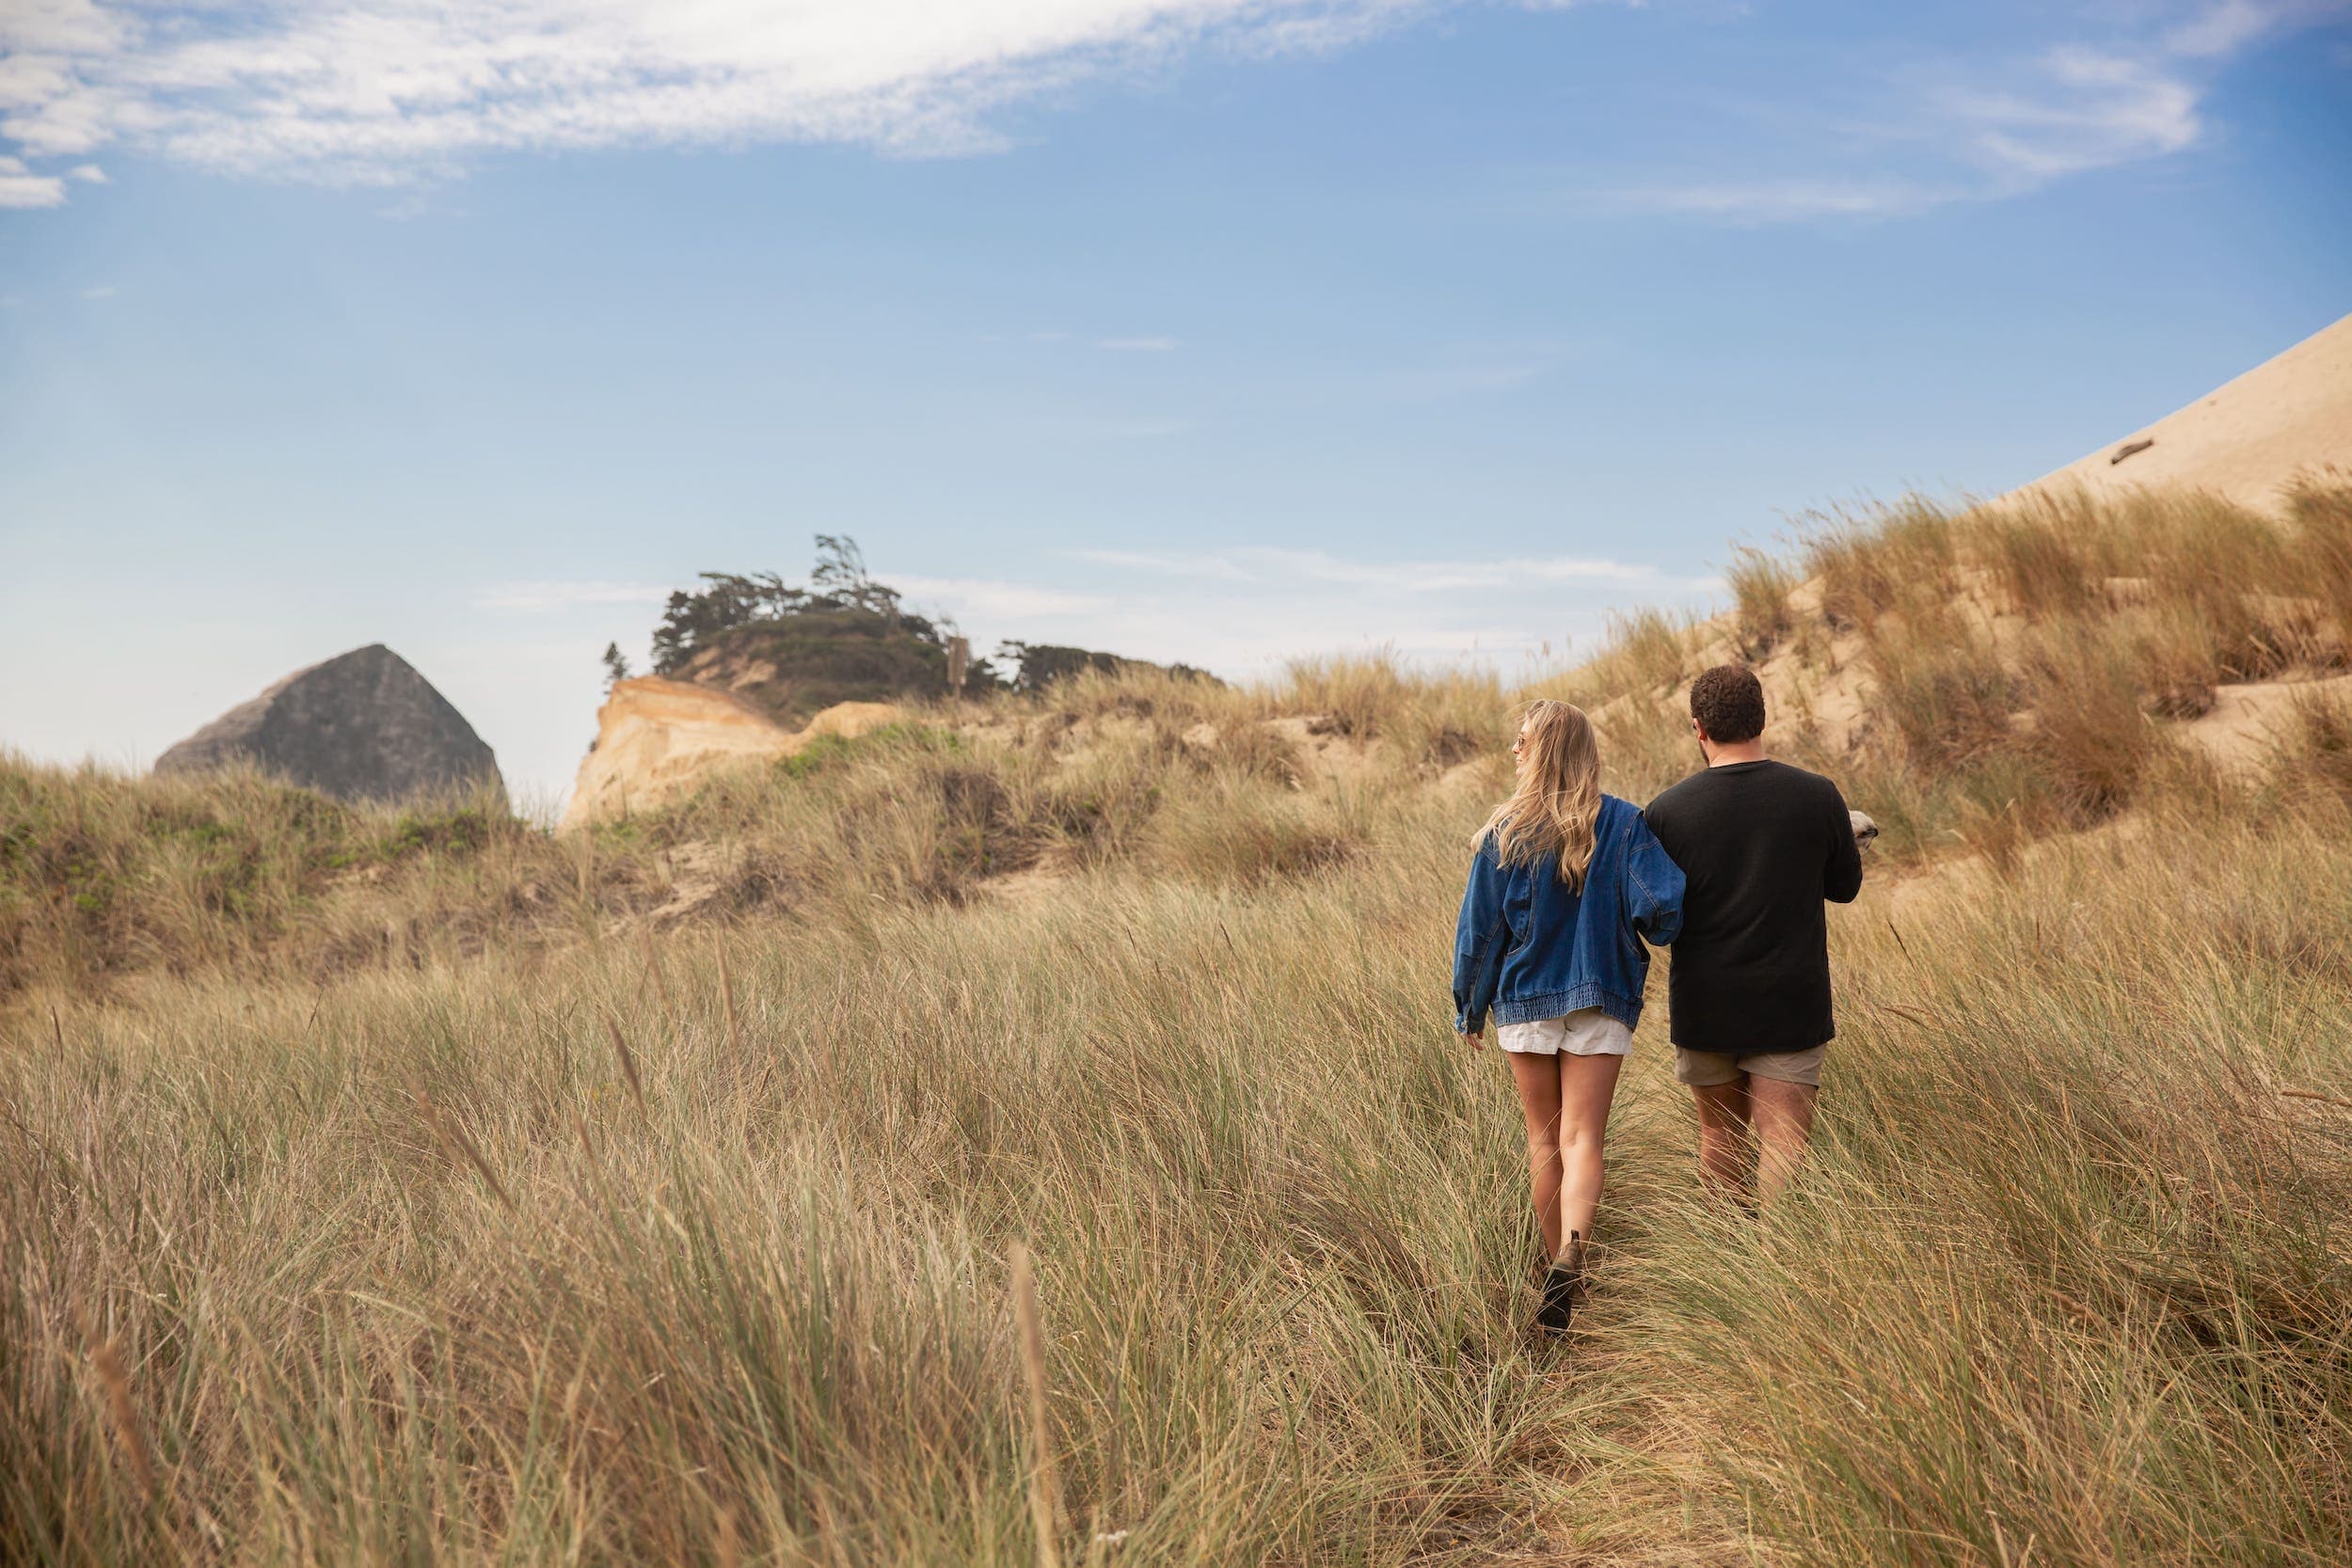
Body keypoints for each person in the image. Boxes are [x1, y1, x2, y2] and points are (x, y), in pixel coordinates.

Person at [1454, 700, 1685, 1334]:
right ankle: (1572, 1259)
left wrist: (1469, 1008)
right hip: (1600, 995)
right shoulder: (1625, 823)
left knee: (1543, 1140)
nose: (1513, 748)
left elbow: (1480, 934)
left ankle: (1561, 1276)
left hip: (1525, 999)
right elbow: (1664, 912)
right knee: (1584, 1139)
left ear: (1541, 748)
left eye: (1520, 738)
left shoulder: (1504, 832)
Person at [1643, 665, 1863, 1206]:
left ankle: (1728, 1264)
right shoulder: (1816, 795)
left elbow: (1653, 916)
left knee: (1719, 1134)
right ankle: (1775, 1268)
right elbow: (1845, 888)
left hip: (1705, 1002)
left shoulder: (1667, 812)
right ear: (1762, 719)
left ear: (1699, 729)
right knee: (1783, 1136)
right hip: (1790, 997)